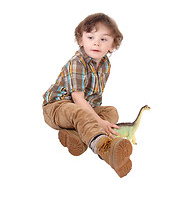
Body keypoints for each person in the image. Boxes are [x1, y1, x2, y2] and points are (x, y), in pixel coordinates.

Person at [42, 13, 133, 177]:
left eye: (104, 39)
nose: (96, 42)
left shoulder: (105, 64)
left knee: (111, 112)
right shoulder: (77, 62)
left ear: (113, 45)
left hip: (82, 110)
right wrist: (99, 122)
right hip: (57, 107)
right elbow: (77, 99)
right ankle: (105, 149)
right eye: (90, 37)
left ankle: (76, 135)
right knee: (81, 112)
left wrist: (101, 119)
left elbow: (93, 103)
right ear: (80, 40)